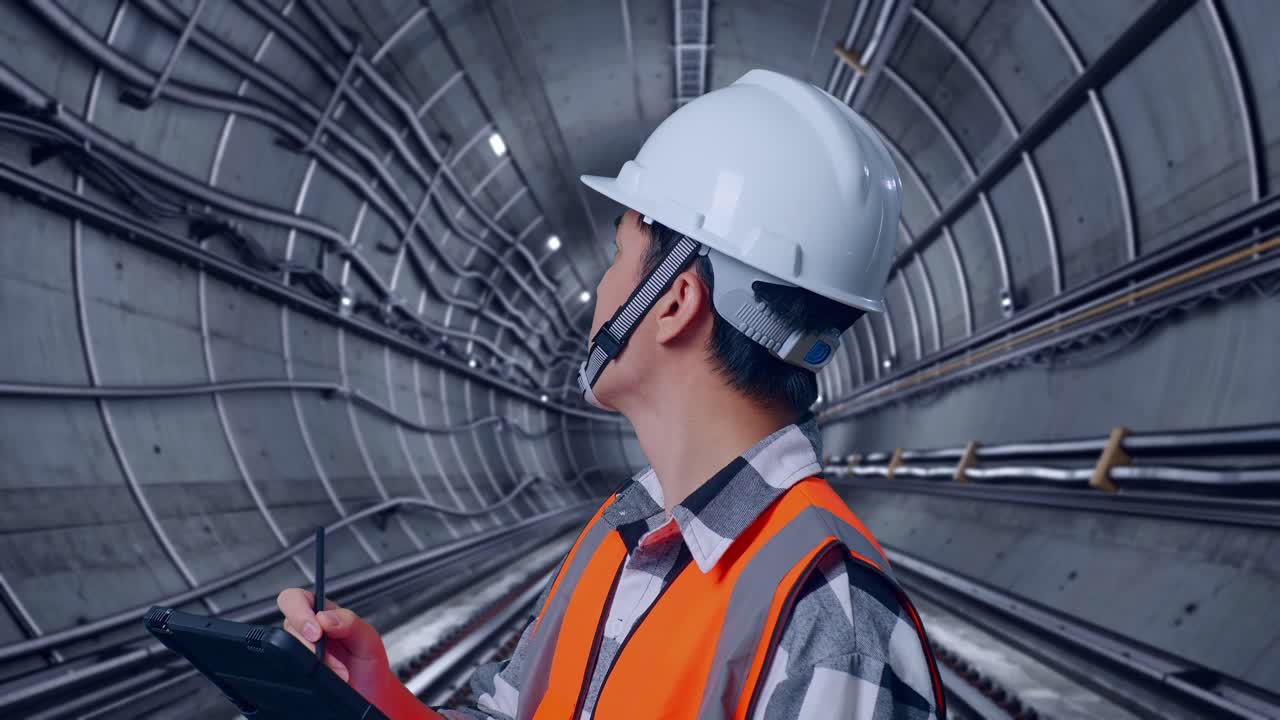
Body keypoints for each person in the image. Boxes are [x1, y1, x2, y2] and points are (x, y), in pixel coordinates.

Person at [278, 68, 946, 719]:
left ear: (676, 301)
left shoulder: (827, 612)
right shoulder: (622, 534)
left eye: (619, 254)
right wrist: (377, 699)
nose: (601, 290)